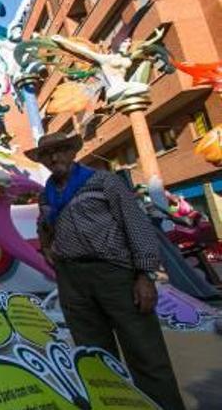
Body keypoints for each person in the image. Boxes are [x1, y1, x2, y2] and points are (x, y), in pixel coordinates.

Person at [27, 132, 185, 410]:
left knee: (145, 352)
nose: (54, 157)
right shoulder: (46, 194)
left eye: (61, 150)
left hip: (115, 274)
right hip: (72, 280)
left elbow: (136, 226)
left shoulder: (103, 182)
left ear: (73, 152)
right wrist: (49, 251)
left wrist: (144, 275)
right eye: (47, 154)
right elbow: (45, 227)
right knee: (94, 357)